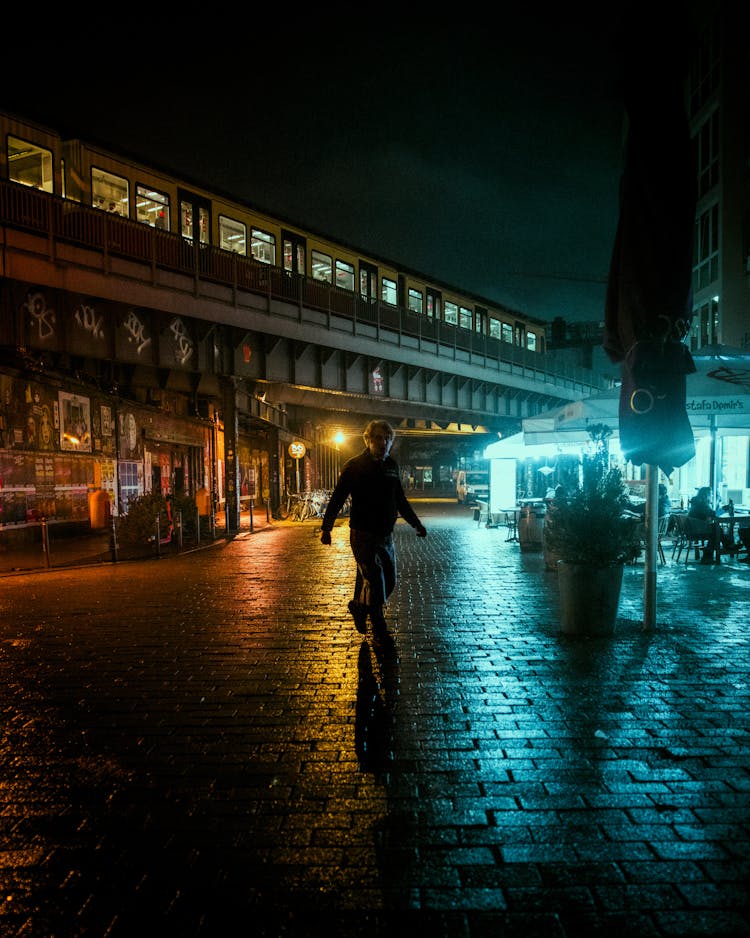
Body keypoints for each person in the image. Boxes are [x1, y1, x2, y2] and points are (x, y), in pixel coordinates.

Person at [320, 419, 427, 642]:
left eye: (387, 439)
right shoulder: (354, 466)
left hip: (385, 536)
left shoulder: (391, 467)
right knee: (376, 580)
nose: (383, 442)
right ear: (368, 440)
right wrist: (327, 528)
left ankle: (359, 607)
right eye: (378, 438)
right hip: (362, 535)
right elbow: (338, 497)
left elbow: (400, 500)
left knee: (390, 579)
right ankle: (379, 629)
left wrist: (416, 523)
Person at [688, 486, 731, 563]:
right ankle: (727, 546)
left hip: (693, 529)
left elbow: (711, 514)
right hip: (697, 531)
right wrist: (725, 509)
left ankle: (709, 556)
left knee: (716, 529)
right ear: (706, 495)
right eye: (711, 494)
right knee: (716, 530)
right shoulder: (702, 505)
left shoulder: (697, 503)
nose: (712, 496)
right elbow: (714, 514)